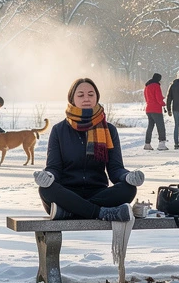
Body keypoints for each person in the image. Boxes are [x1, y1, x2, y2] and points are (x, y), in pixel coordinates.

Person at [34, 77, 144, 221]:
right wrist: (47, 176)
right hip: (67, 193)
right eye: (80, 95)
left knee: (129, 189)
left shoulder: (109, 130)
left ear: (97, 97)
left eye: (91, 94)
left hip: (98, 193)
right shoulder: (58, 130)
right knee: (46, 189)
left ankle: (70, 211)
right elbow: (54, 168)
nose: (86, 98)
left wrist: (128, 177)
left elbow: (115, 169)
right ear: (72, 99)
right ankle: (100, 213)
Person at [143, 72, 168, 151]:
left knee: (150, 127)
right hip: (156, 109)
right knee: (161, 127)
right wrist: (163, 103)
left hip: (148, 109)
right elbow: (158, 98)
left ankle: (147, 144)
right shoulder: (156, 86)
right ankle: (161, 144)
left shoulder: (147, 86)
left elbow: (147, 98)